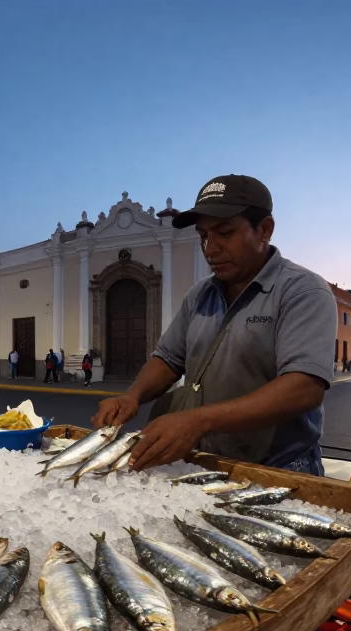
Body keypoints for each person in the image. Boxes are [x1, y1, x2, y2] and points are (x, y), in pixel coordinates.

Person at [92, 174, 336, 475]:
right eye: (204, 236)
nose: (211, 248)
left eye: (225, 233)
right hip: (207, 461)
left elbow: (303, 388)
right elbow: (168, 359)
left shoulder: (303, 291)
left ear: (265, 230)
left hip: (279, 469)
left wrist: (198, 420)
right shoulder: (200, 294)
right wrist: (131, 396)